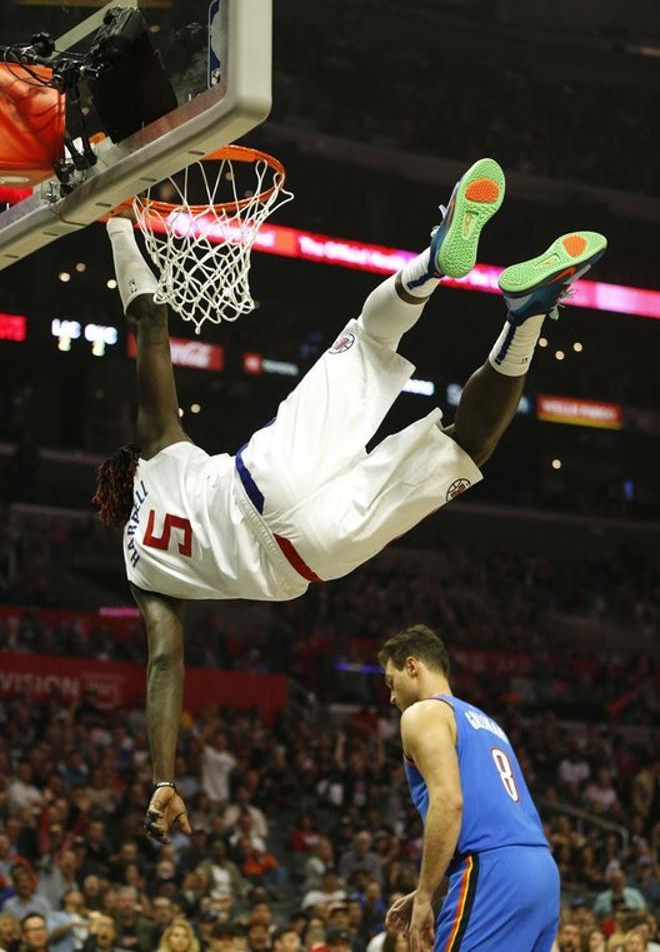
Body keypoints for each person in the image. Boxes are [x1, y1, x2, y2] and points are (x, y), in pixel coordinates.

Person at [94, 160, 607, 843]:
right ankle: (432, 259)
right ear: (127, 471)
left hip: (311, 556)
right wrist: (119, 222)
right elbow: (151, 323)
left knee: (463, 448)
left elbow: (165, 664)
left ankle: (528, 315)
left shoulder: (143, 575)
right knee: (372, 339)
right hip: (263, 478)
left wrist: (164, 777)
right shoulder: (158, 451)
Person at [379, 625, 560, 952]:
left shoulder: (423, 713)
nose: (392, 697)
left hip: (494, 873)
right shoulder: (486, 722)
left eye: (392, 683)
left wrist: (423, 899)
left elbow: (449, 803)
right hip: (541, 873)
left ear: (412, 666)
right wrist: (432, 887)